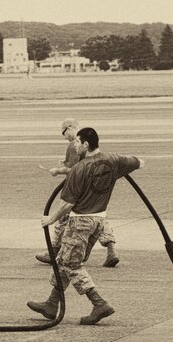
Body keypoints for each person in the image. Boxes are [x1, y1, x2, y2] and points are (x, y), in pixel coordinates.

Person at [27, 127, 143, 325]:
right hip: (99, 221)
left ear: (86, 145)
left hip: (80, 221)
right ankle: (51, 304)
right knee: (64, 260)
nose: (75, 145)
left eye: (77, 142)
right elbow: (139, 162)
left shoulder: (79, 170)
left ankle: (99, 303)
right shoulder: (114, 160)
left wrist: (51, 219)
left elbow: (67, 204)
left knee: (72, 264)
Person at [36, 118, 120, 268]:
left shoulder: (74, 144)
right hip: (94, 187)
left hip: (78, 188)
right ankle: (111, 248)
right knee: (97, 216)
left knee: (63, 218)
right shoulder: (88, 142)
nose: (65, 137)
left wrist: (58, 170)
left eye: (64, 132)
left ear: (69, 128)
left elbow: (74, 169)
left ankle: (54, 250)